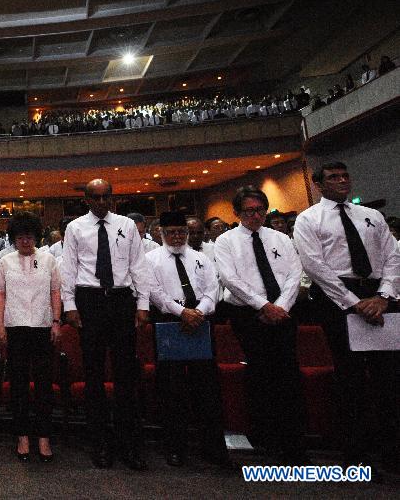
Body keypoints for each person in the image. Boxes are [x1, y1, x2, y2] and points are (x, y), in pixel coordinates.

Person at [293, 162, 399, 473]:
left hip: (378, 294)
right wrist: (354, 303)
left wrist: (383, 295)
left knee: (388, 377)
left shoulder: (371, 215)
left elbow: (392, 255)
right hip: (339, 299)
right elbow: (315, 266)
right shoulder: (309, 219)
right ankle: (358, 455)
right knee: (350, 378)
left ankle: (392, 450)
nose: (341, 181)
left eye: (345, 176)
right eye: (333, 178)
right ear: (317, 185)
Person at [59, 178, 155, 470]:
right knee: (94, 374)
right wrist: (71, 306)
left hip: (121, 299)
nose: (101, 202)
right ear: (86, 200)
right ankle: (99, 442)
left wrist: (142, 305)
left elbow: (138, 266)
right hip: (90, 301)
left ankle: (129, 444)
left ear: (112, 198)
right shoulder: (75, 227)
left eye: (106, 197)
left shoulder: (126, 225)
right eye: (96, 197)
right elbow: (69, 269)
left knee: (126, 374)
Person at [215, 186, 305, 463]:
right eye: (249, 211)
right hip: (248, 314)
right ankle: (266, 440)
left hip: (284, 311)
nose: (255, 216)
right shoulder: (227, 241)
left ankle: (294, 444)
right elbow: (230, 279)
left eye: (259, 210)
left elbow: (294, 273)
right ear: (237, 213)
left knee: (288, 374)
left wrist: (281, 306)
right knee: (261, 375)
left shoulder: (280, 237)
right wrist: (263, 306)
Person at [145, 212, 231, 468]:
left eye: (181, 231)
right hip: (169, 321)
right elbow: (154, 292)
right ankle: (175, 448)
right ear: (161, 233)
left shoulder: (201, 258)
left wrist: (199, 312)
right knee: (171, 390)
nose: (177, 236)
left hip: (200, 321)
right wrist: (181, 312)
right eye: (171, 232)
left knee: (207, 389)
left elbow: (211, 289)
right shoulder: (150, 259)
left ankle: (213, 448)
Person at [0, 211, 61, 463]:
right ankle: (22, 435)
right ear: (13, 238)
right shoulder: (5, 262)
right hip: (15, 328)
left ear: (37, 236)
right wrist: (0, 326)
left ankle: (44, 436)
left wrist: (56, 320)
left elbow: (56, 291)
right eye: (21, 237)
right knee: (19, 385)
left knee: (44, 385)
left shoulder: (48, 260)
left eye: (30, 236)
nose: (26, 241)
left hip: (43, 328)